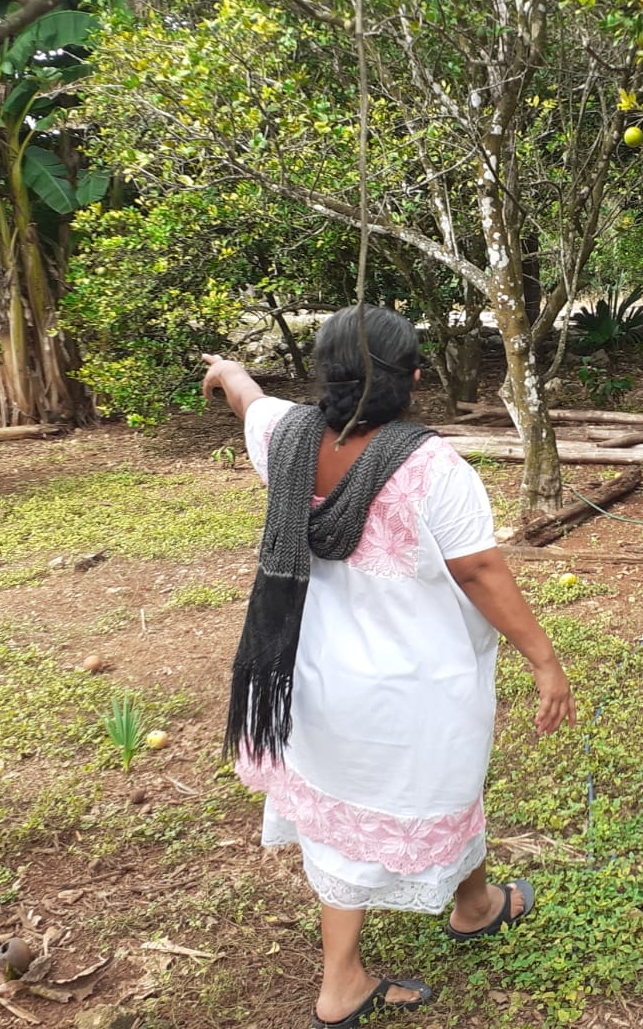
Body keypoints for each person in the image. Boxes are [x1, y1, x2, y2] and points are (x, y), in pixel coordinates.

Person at [202, 305, 576, 1029]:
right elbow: (481, 574)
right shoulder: (432, 467)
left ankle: (474, 905)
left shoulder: (285, 437)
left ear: (327, 375)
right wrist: (545, 659)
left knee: (381, 807)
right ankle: (341, 983)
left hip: (312, 676)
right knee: (429, 790)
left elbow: (252, 403)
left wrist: (230, 374)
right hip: (414, 686)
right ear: (410, 378)